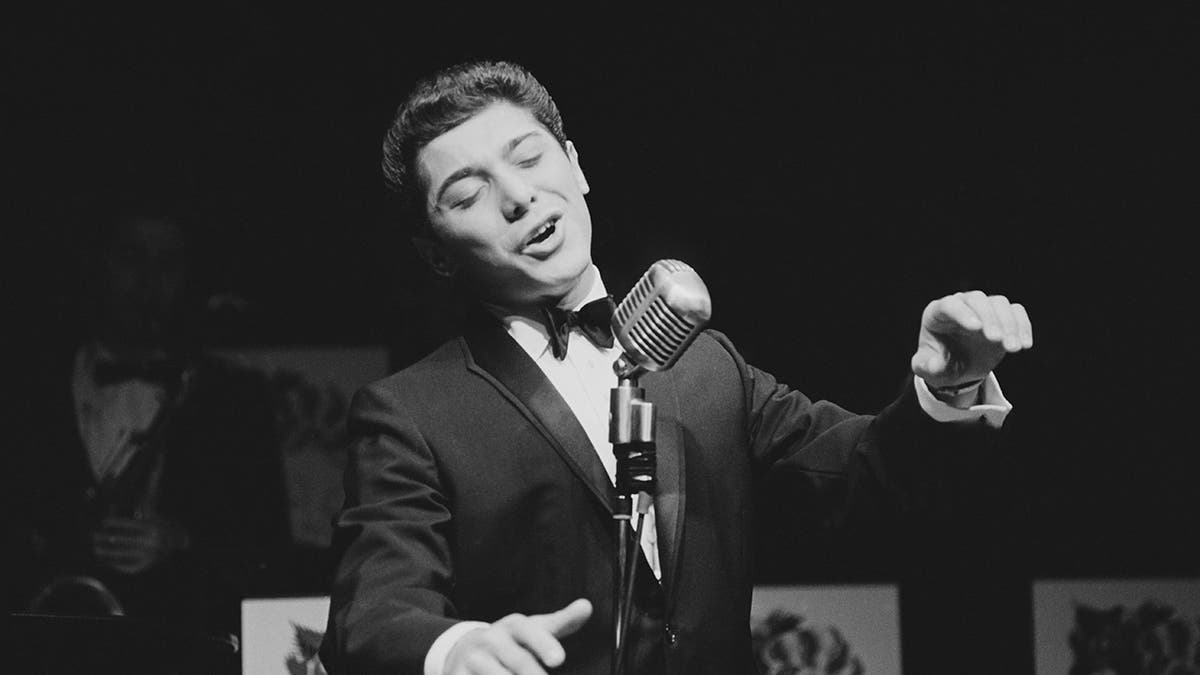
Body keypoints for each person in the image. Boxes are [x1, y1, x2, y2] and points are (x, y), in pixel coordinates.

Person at [319, 60, 1033, 674]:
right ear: (437, 254)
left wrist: (948, 386)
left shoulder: (705, 365)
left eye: (529, 158)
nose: (517, 196)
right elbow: (370, 612)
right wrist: (455, 649)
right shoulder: (412, 413)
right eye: (468, 194)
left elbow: (862, 472)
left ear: (576, 165)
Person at [11, 203, 291, 640]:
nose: (148, 281)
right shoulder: (26, 389)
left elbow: (269, 549)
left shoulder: (234, 395)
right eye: (130, 257)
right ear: (97, 264)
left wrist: (181, 541)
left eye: (168, 263)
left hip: (185, 643)